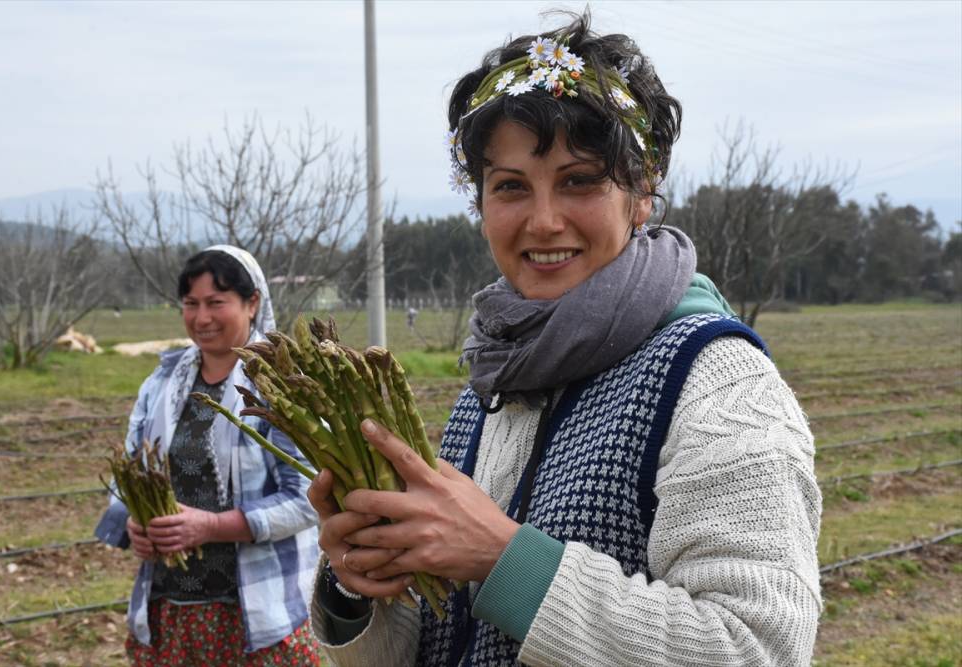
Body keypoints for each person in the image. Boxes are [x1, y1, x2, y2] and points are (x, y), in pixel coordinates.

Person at [307, 11, 821, 667]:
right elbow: (443, 641)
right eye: (511, 187)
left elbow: (756, 647)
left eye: (579, 180)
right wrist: (358, 583)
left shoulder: (716, 382)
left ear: (642, 192)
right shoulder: (490, 387)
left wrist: (503, 558)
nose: (544, 222)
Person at [95, 245, 321, 666]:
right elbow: (129, 472)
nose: (202, 319)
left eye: (217, 303)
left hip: (258, 615)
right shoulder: (162, 383)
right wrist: (133, 522)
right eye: (191, 304)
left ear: (252, 302)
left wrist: (212, 526)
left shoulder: (279, 388)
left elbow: (309, 498)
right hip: (169, 609)